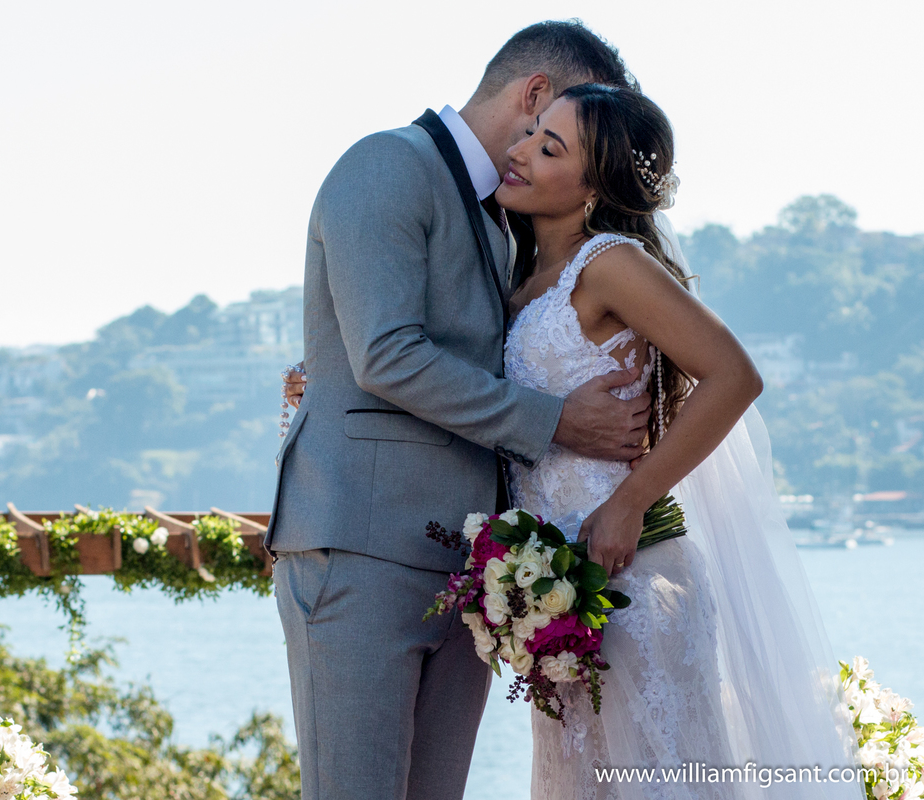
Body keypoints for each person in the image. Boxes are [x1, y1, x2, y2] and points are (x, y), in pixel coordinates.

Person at [285, 83, 861, 799]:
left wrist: (629, 503)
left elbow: (734, 376)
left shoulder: (609, 264)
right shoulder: (518, 273)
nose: (519, 152)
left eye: (548, 147)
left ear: (594, 187)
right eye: (530, 133)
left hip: (636, 583)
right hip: (561, 606)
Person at [265, 20, 649, 800]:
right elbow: (385, 355)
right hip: (359, 553)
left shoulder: (503, 217)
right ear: (537, 96)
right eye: (574, 125)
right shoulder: (387, 165)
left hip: (464, 574)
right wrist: (554, 420)